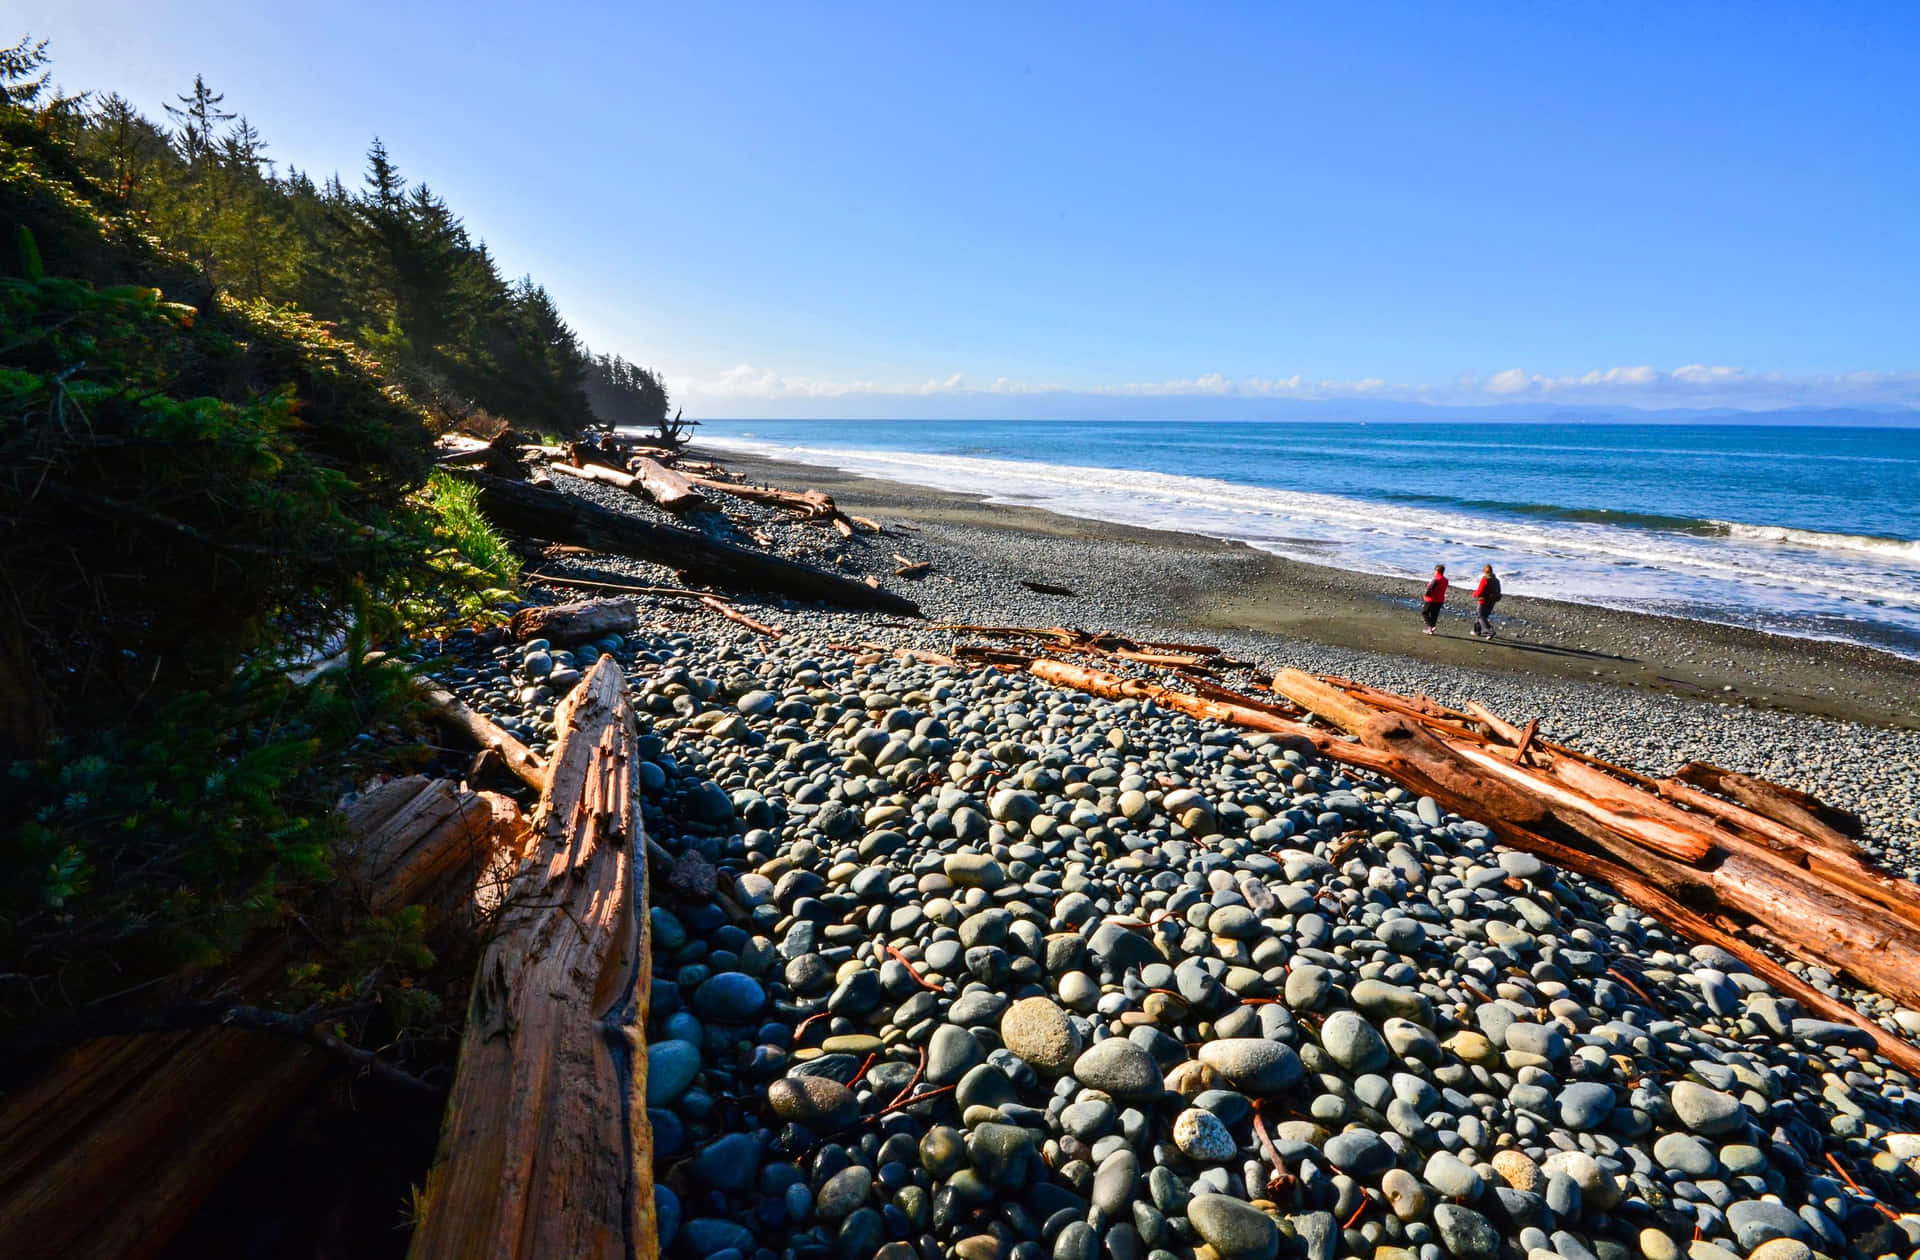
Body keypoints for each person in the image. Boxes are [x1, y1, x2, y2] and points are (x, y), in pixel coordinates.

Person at [1472, 564, 1502, 638]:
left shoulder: (1485, 579)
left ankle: (1490, 631)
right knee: (1483, 616)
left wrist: (1474, 594)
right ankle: (1477, 631)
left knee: (1480, 616)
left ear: (1485, 571)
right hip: (1492, 601)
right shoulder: (1496, 580)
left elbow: (1480, 591)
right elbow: (1499, 591)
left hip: (1484, 600)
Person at [1419, 564, 1448, 634]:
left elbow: (1430, 588)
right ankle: (1430, 630)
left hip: (1432, 599)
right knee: (1434, 614)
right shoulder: (1445, 580)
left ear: (1436, 571)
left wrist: (1426, 595)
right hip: (1440, 599)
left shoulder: (1436, 579)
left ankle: (1431, 626)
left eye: (1435, 570)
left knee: (1424, 612)